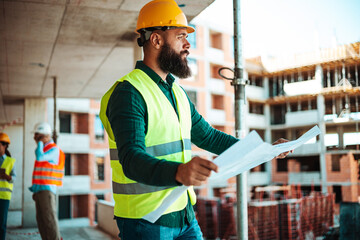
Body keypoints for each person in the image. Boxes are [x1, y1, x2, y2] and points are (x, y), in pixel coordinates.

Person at [99, 0, 291, 239]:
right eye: (181, 36)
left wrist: (263, 150)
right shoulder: (129, 93)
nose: (188, 44)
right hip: (145, 223)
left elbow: (207, 136)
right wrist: (179, 172)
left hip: (184, 215)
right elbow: (131, 159)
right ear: (156, 40)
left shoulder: (176, 92)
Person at [29, 122, 65, 240]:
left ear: (45, 135)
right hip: (40, 190)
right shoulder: (43, 148)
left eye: (37, 136)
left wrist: (40, 142)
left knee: (49, 220)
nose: (35, 138)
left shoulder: (54, 150)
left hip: (47, 191)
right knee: (41, 221)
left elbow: (40, 157)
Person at [0, 132, 16, 240]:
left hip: (4, 197)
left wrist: (7, 176)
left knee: (1, 224)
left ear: (4, 145)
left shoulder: (11, 161)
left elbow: (14, 178)